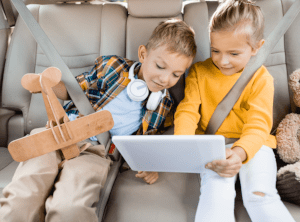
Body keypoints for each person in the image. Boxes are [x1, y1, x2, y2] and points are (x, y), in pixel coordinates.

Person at [0, 19, 196, 222]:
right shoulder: (113, 67)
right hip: (57, 132)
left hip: (97, 151)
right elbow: (73, 90)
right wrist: (49, 84)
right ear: (143, 54)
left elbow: (154, 141)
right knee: (23, 196)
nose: (165, 79)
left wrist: (153, 164)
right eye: (160, 66)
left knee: (71, 207)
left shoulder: (164, 104)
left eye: (176, 74)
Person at [174, 0, 295, 222]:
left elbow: (259, 126)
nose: (223, 61)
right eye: (215, 50)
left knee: (260, 195)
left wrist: (239, 153)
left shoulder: (261, 79)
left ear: (257, 47)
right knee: (215, 197)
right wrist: (184, 145)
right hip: (213, 146)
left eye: (234, 53)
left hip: (254, 145)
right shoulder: (199, 72)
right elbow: (188, 110)